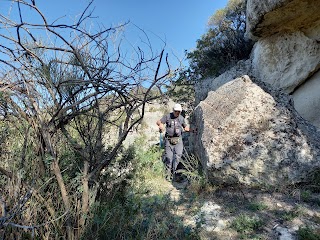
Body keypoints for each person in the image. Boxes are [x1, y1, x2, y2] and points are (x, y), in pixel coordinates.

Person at [156, 103, 190, 181]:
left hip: (178, 140)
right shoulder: (167, 116)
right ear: (173, 110)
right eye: (176, 111)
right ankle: (167, 175)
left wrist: (189, 129)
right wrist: (160, 125)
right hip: (168, 140)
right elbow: (159, 121)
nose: (177, 113)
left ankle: (174, 174)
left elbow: (185, 127)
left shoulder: (181, 118)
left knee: (178, 156)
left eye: (179, 111)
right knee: (169, 158)